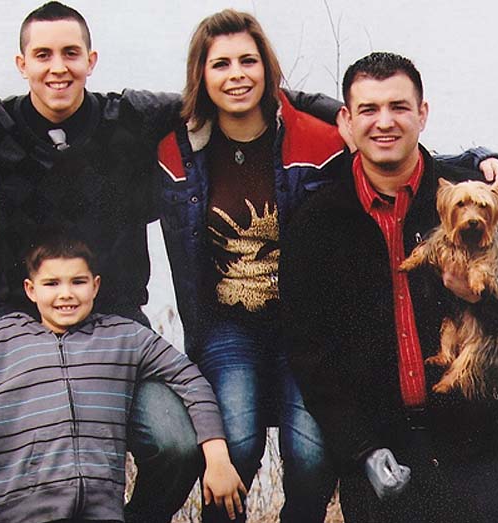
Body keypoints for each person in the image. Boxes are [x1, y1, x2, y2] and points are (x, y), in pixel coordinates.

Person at [0, 4, 347, 521]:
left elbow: (237, 89)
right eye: (43, 55)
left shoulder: (130, 119)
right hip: (17, 329)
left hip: (116, 324)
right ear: (20, 63)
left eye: (70, 53)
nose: (58, 68)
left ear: (91, 59)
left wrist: (353, 111)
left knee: (180, 446)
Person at [280, 51, 498, 522]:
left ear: (422, 114)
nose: (384, 122)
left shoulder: (476, 200)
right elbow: (309, 352)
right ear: (346, 120)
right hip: (383, 456)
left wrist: (485, 296)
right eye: (368, 109)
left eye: (399, 107)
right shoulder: (316, 223)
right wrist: (360, 449)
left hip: (483, 449)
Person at [0, 233, 246, 523]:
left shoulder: (124, 336)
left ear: (96, 285)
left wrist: (217, 459)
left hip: (100, 512)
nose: (66, 294)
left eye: (78, 282)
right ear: (30, 289)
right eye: (52, 284)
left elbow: (189, 378)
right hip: (20, 513)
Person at [156, 10, 344, 523]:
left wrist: (480, 159)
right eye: (221, 64)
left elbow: (391, 150)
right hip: (226, 326)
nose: (236, 74)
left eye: (247, 60)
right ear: (201, 74)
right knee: (234, 445)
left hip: (303, 326)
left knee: (310, 456)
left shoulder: (318, 142)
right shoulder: (176, 152)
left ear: (266, 67)